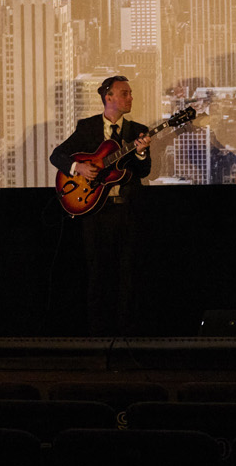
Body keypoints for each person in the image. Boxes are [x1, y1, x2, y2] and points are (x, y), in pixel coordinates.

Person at [50, 75, 151, 335]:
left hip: (128, 210)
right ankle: (97, 334)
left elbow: (143, 171)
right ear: (109, 97)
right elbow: (57, 155)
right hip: (96, 213)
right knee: (97, 274)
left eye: (130, 93)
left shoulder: (137, 131)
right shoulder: (88, 127)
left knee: (129, 274)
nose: (130, 98)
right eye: (125, 93)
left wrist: (141, 152)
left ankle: (127, 333)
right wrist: (79, 167)